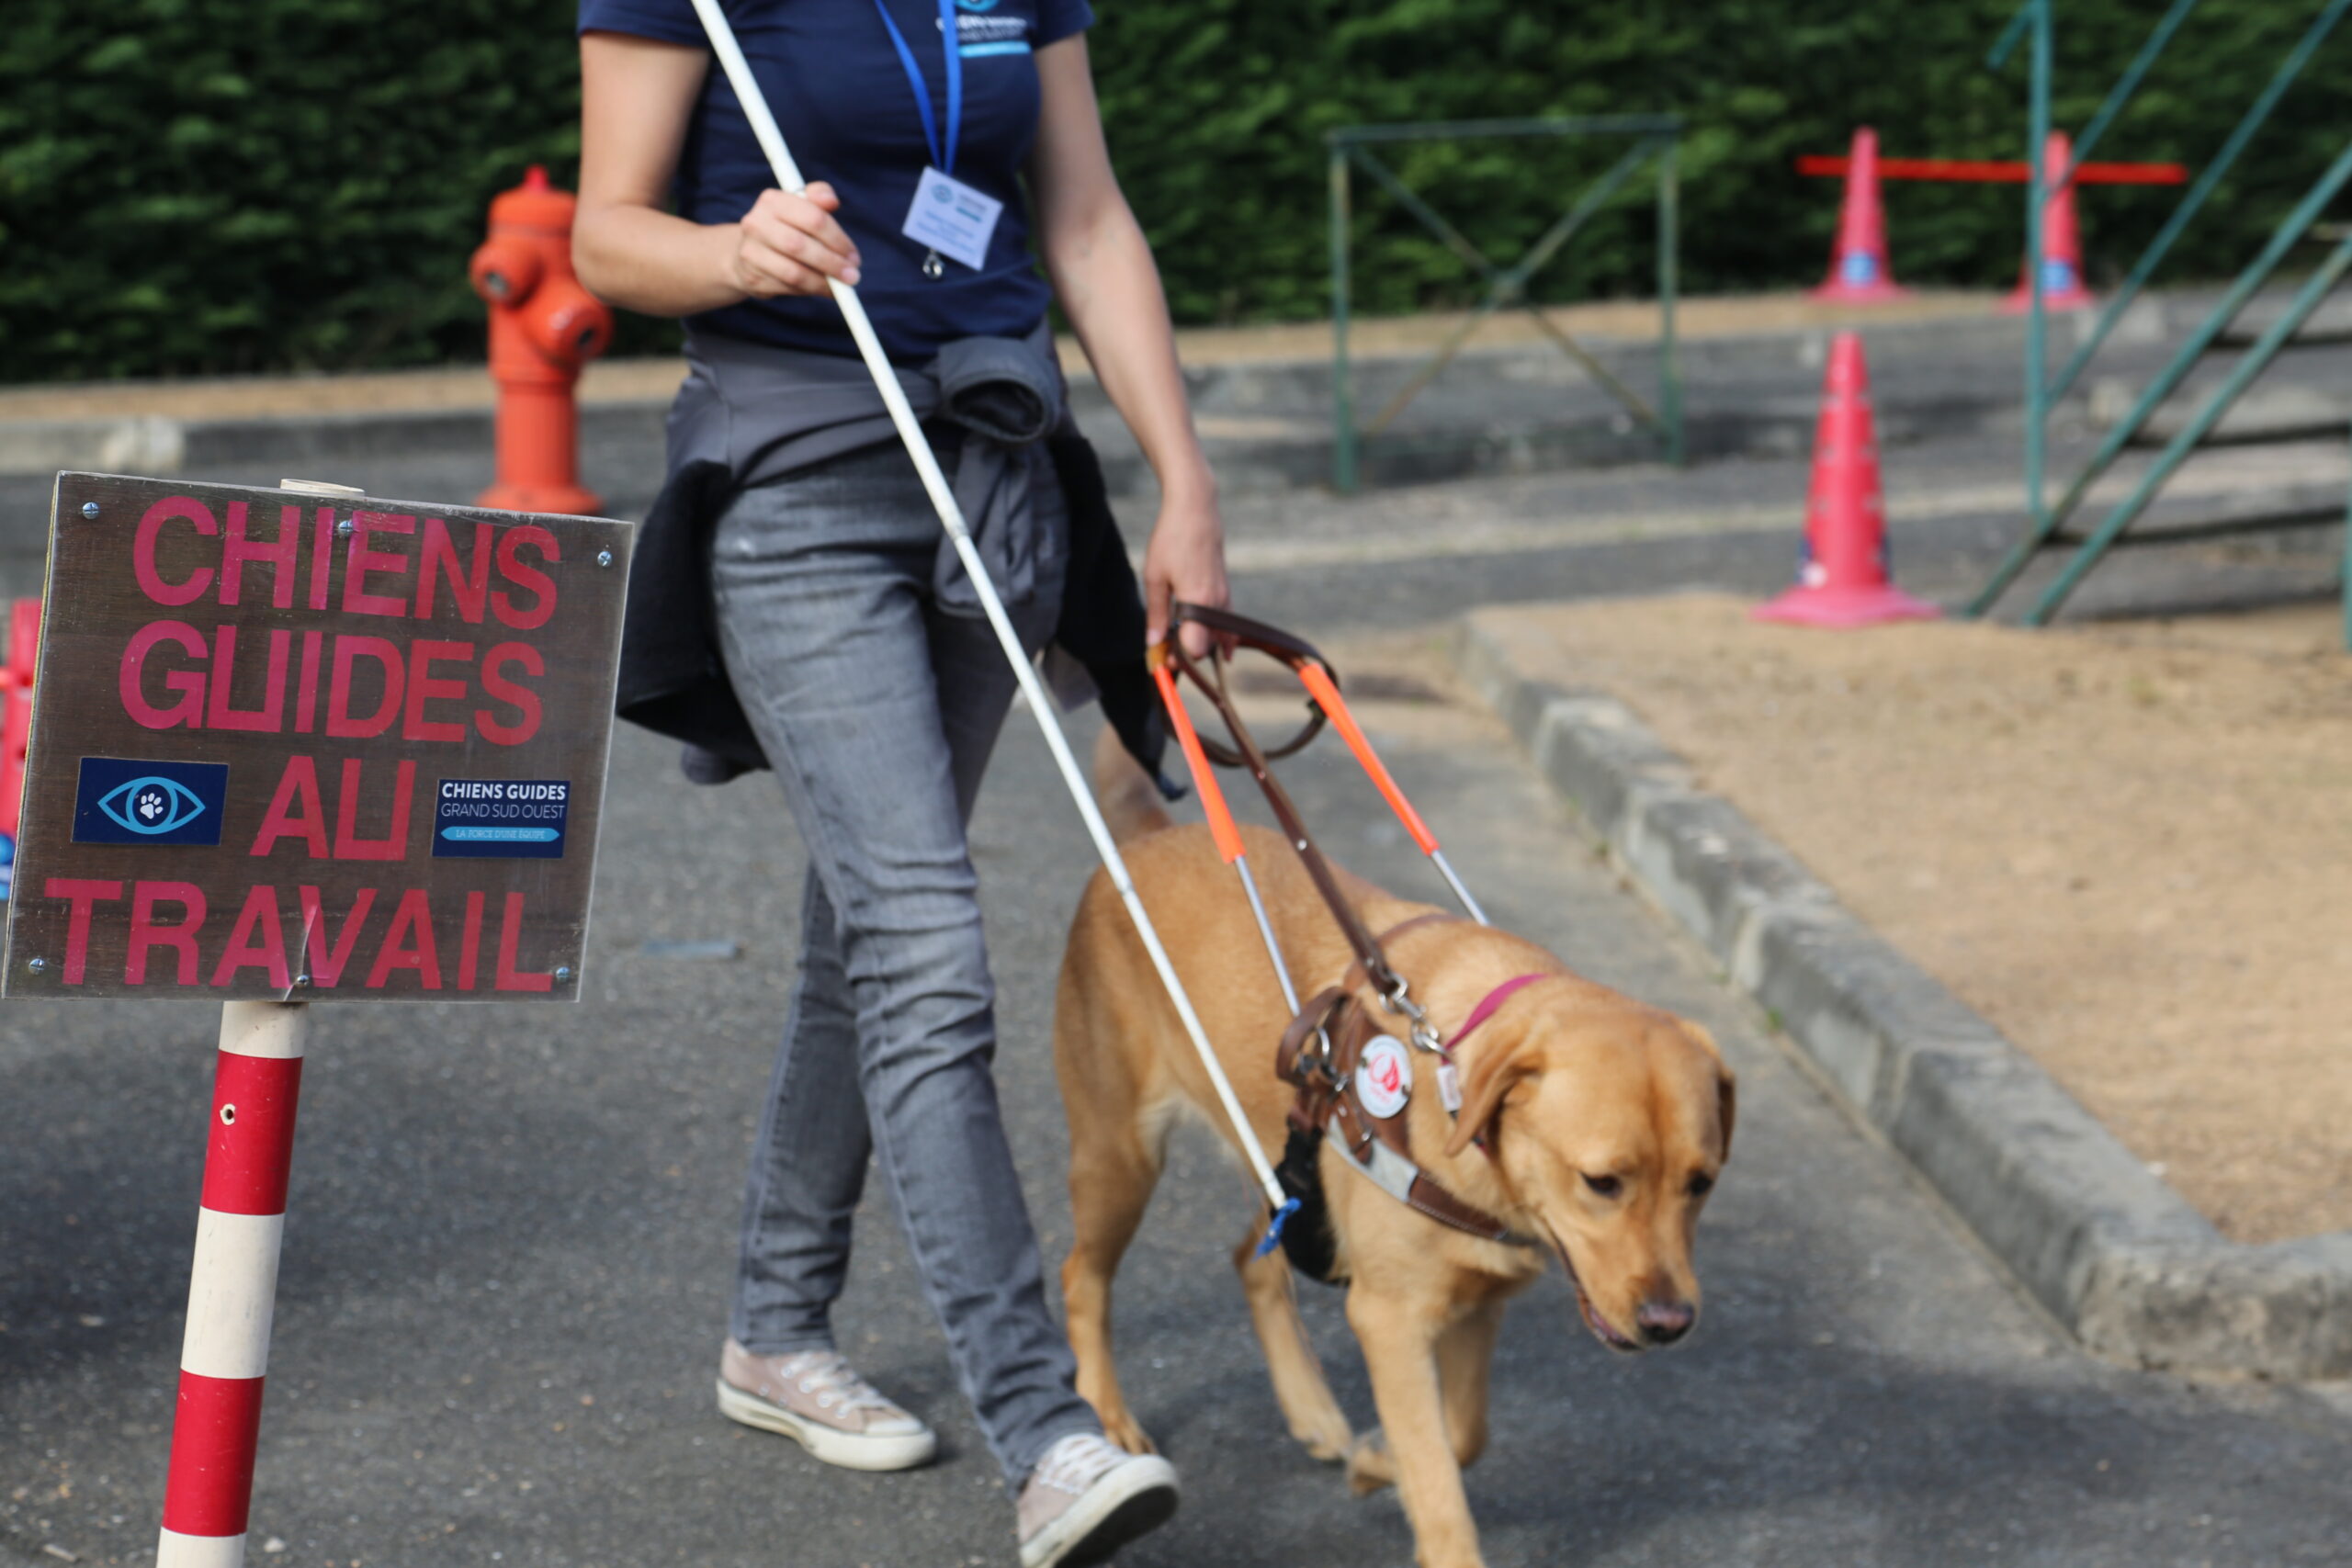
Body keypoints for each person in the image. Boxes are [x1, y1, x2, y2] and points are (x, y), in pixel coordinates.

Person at [571, 3, 1227, 1564]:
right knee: (928, 948)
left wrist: (1188, 486)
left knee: (863, 935)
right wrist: (737, 253)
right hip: (796, 491)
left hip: (998, 481)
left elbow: (1082, 213)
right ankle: (1048, 1432)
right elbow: (605, 237)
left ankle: (773, 1329)